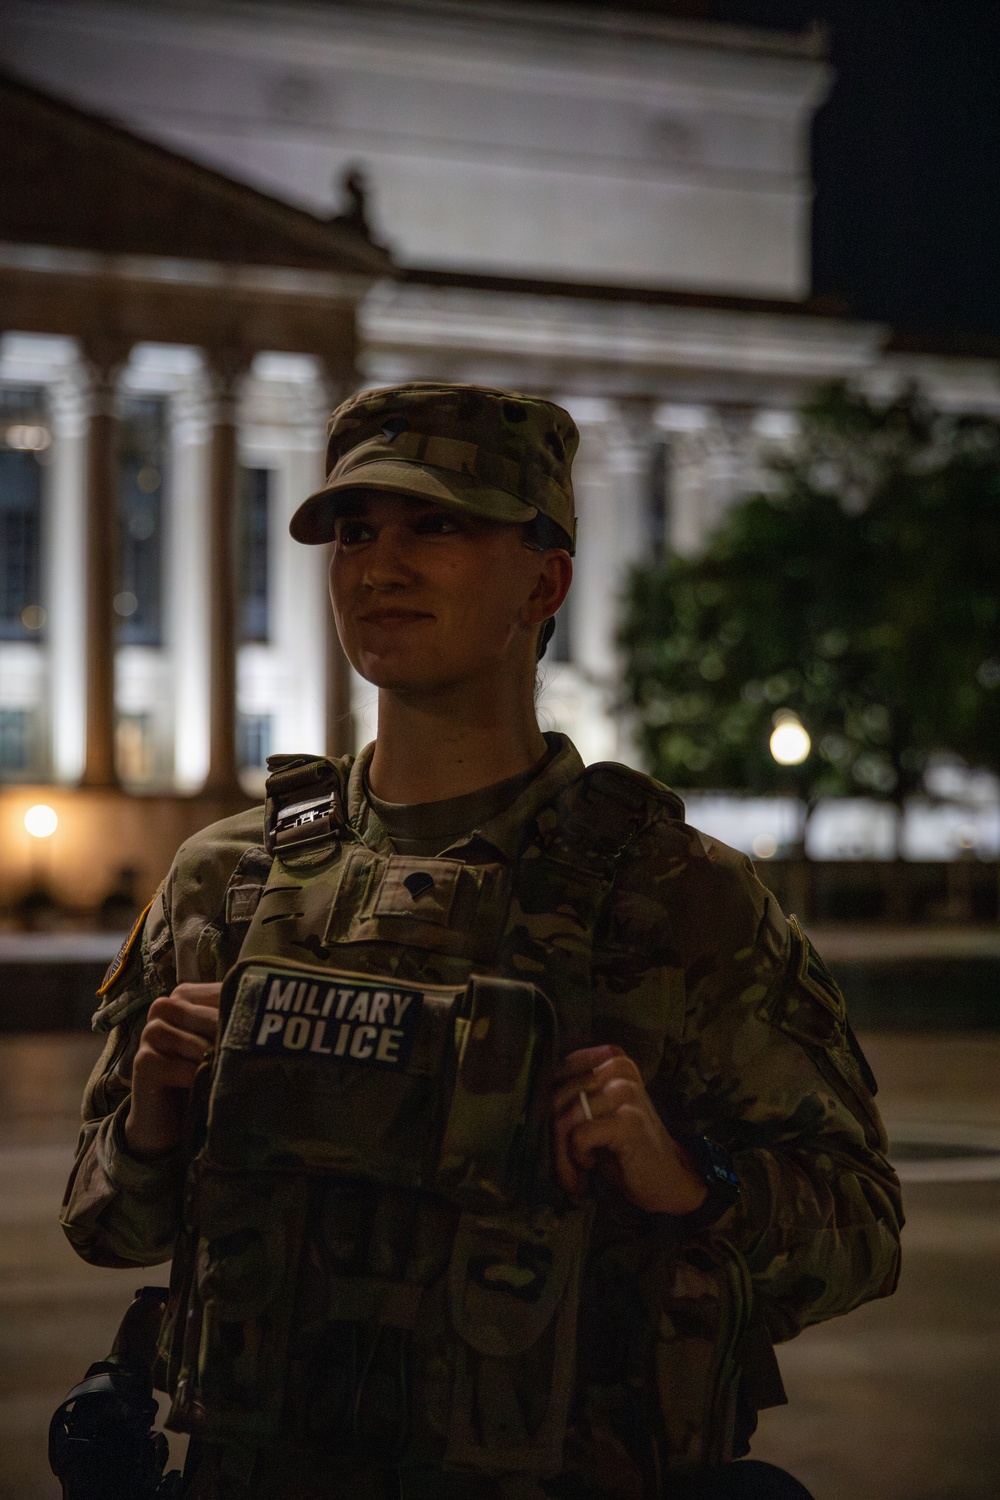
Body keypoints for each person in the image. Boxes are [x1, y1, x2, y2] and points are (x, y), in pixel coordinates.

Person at [61, 383, 902, 1500]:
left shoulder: (680, 901)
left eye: (438, 525)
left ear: (543, 580)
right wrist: (157, 1119)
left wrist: (691, 1182)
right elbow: (107, 1225)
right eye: (354, 531)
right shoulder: (230, 879)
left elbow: (860, 1228)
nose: (379, 565)